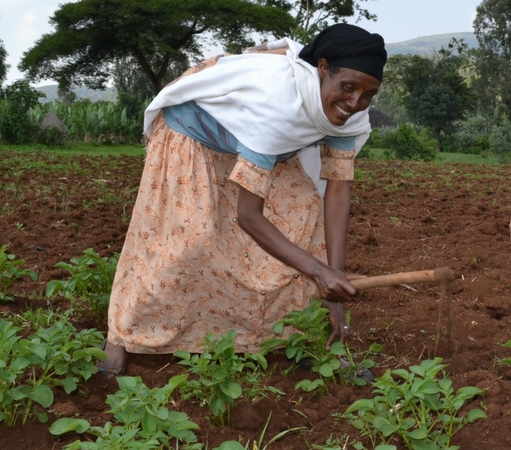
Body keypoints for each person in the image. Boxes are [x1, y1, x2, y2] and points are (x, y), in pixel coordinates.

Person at [100, 23, 386, 376]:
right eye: (348, 88)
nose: (355, 103)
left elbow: (337, 193)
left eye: (367, 95)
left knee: (304, 217)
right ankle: (122, 334)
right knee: (184, 242)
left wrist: (333, 282)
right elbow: (249, 215)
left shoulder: (351, 115)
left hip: (261, 145)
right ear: (322, 69)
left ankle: (308, 335)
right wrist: (318, 271)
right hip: (193, 132)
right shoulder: (278, 104)